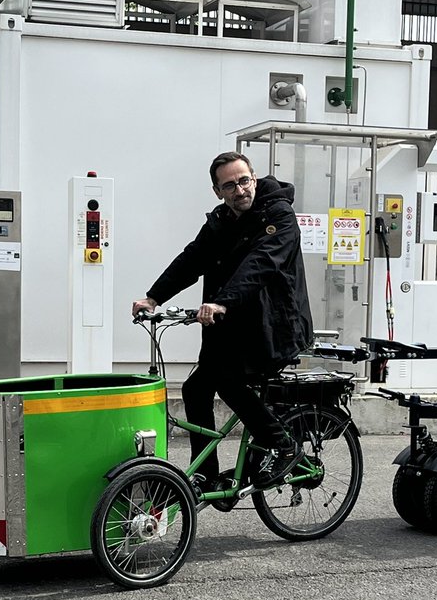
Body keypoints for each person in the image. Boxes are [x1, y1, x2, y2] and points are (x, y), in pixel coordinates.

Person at [132, 151, 313, 489]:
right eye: (229, 185)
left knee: (229, 383)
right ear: (218, 191)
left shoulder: (279, 215)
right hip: (232, 327)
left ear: (254, 179)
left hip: (273, 326)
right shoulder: (221, 220)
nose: (239, 190)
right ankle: (206, 473)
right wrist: (154, 297)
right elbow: (192, 259)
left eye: (243, 181)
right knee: (194, 388)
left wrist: (220, 303)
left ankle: (283, 445)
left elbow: (260, 263)